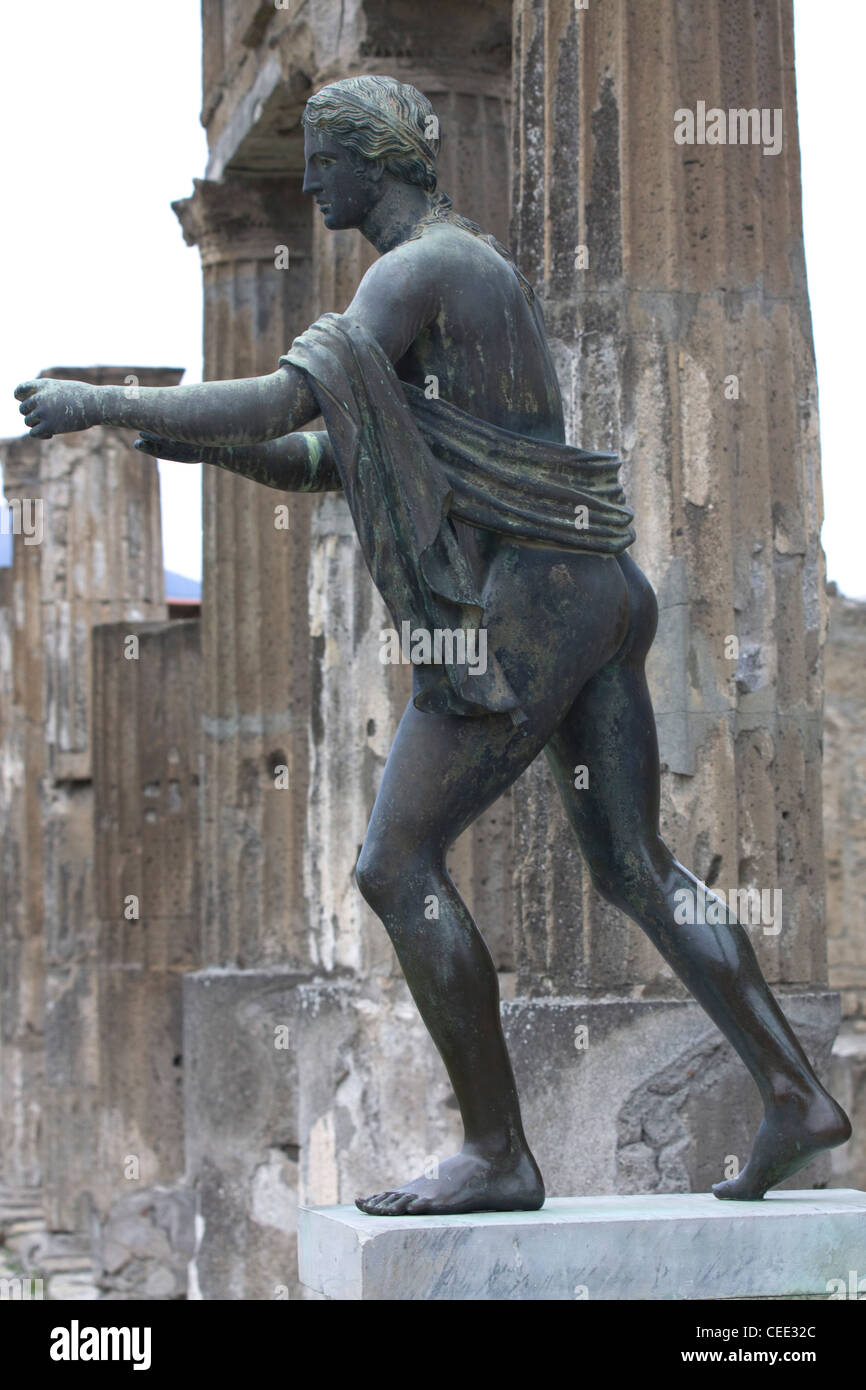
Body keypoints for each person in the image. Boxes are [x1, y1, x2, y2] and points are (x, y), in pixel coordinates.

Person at [14, 75, 850, 1218]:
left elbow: (276, 404)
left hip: (527, 603)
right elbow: (323, 457)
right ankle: (794, 1095)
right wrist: (189, 444)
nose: (308, 181)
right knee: (630, 864)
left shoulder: (416, 270)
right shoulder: (459, 271)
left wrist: (103, 404)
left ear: (371, 156)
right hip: (591, 586)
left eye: (323, 156)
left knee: (391, 864)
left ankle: (497, 1150)